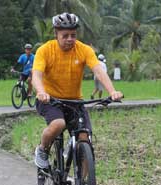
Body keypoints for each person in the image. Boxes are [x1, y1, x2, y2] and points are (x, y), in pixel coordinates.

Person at [32, 13, 123, 172]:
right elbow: (36, 75)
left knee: (85, 139)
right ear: (56, 34)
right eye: (65, 35)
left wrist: (112, 91)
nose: (69, 39)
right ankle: (42, 149)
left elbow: (99, 72)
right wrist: (41, 92)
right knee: (58, 124)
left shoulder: (84, 50)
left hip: (74, 102)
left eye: (73, 35)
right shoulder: (45, 50)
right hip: (50, 100)